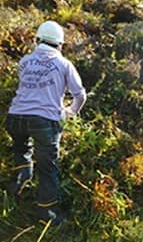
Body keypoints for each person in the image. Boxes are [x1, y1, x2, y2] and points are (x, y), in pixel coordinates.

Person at [5, 21, 86, 226]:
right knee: (48, 167)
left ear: (38, 39)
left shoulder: (25, 61)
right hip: (44, 120)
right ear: (60, 44)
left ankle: (18, 187)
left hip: (15, 117)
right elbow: (80, 94)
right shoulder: (64, 64)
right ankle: (48, 214)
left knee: (22, 151)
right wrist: (71, 111)